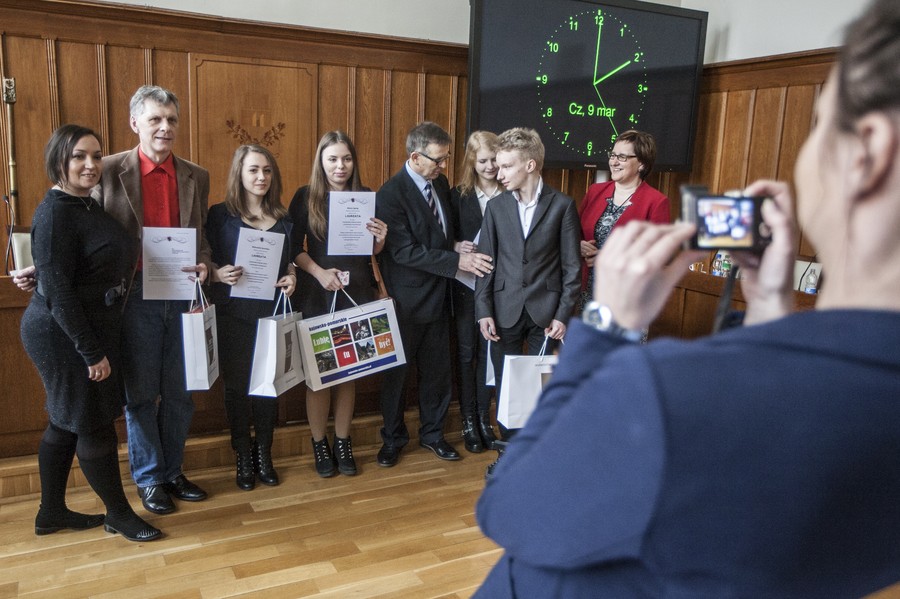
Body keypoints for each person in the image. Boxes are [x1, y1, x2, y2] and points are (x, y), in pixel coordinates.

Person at [474, 0, 900, 595]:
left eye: (819, 123)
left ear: (869, 152)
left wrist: (604, 325)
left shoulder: (669, 391)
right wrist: (771, 307)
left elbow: (510, 509)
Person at [14, 86, 212, 515]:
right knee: (140, 395)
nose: (164, 127)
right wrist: (40, 270)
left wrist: (204, 264)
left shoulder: (198, 175)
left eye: (172, 120)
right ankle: (149, 478)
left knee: (181, 393)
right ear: (134, 123)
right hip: (129, 300)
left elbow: (203, 239)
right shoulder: (104, 169)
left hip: (182, 295)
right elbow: (72, 231)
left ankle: (173, 471)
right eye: (155, 119)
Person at [20, 125, 160, 542]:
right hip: (63, 335)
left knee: (65, 423)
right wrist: (91, 352)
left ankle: (51, 513)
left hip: (89, 328)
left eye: (96, 156)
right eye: (79, 156)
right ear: (58, 161)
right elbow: (59, 291)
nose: (90, 164)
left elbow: (75, 267)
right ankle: (118, 514)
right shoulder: (54, 212)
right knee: (93, 423)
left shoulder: (85, 205)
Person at [374, 121, 493, 467]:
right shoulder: (390, 194)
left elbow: (441, 236)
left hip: (441, 297)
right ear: (415, 156)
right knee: (397, 376)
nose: (444, 167)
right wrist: (458, 259)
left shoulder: (439, 184)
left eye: (445, 159)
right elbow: (405, 252)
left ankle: (433, 435)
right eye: (438, 160)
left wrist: (455, 244)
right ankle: (393, 439)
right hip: (406, 301)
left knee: (438, 373)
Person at [288, 131, 387, 477]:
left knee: (349, 374)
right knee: (320, 377)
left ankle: (343, 442)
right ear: (321, 162)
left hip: (356, 294)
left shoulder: (365, 196)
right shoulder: (305, 197)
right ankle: (320, 444)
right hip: (318, 295)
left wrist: (380, 240)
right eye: (332, 159)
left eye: (346, 158)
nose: (340, 165)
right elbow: (292, 248)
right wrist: (317, 272)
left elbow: (371, 254)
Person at [474, 127, 581, 440]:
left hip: (546, 315)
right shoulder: (495, 207)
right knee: (507, 388)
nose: (499, 172)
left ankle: (535, 453)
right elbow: (485, 264)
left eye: (506, 166)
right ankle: (508, 453)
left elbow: (572, 267)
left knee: (540, 390)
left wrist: (563, 315)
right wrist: (483, 310)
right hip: (503, 309)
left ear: (530, 165)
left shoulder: (562, 206)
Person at [206, 145, 297, 490]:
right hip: (233, 316)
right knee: (236, 389)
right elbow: (206, 258)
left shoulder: (285, 219)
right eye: (254, 170)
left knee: (267, 388)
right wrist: (217, 273)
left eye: (267, 171)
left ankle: (265, 454)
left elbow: (289, 262)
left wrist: (292, 277)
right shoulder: (220, 215)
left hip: (270, 316)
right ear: (239, 174)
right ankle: (242, 455)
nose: (261, 177)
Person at [450, 131, 502, 453]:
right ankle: (468, 419)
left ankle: (485, 417)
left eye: (494, 160)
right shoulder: (459, 195)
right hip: (466, 286)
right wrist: (456, 246)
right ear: (472, 161)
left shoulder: (509, 193)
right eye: (482, 160)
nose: (490, 167)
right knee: (466, 352)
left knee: (490, 354)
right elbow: (445, 237)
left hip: (499, 288)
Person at [578, 129, 669, 308]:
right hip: (588, 292)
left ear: (641, 164)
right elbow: (574, 232)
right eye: (613, 155)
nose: (614, 161)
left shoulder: (657, 202)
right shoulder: (595, 191)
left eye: (622, 157)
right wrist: (578, 244)